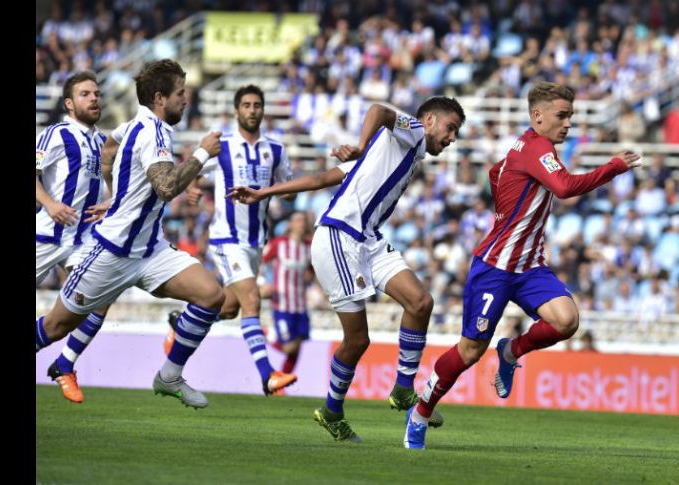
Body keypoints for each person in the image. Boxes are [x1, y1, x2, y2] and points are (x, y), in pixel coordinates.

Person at [403, 82, 642, 449]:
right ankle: (420, 413)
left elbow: (497, 172)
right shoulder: (537, 147)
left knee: (567, 321)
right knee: (469, 350)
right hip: (495, 267)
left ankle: (511, 351)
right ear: (538, 116)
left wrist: (507, 209)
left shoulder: (525, 147)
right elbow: (563, 188)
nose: (567, 124)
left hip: (529, 265)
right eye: (562, 116)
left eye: (570, 117)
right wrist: (613, 167)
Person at [230, 96, 465, 442]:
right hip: (340, 237)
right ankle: (332, 411)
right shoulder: (413, 131)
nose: (452, 138)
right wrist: (360, 144)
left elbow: (321, 178)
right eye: (450, 128)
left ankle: (403, 390)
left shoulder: (395, 149)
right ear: (429, 119)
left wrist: (264, 192)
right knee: (357, 339)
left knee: (420, 302)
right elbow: (379, 111)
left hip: (368, 239)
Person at [35, 59, 225, 409]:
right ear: (159, 98)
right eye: (180, 93)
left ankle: (169, 375)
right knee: (56, 327)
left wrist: (116, 194)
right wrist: (202, 153)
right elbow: (167, 187)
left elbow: (109, 145)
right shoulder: (151, 132)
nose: (186, 99)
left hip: (149, 250)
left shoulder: (140, 125)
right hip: (111, 251)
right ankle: (64, 363)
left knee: (212, 296)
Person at [163, 85, 298, 396]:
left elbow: (289, 187)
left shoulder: (275, 150)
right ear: (236, 111)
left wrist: (282, 190)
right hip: (226, 238)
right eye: (246, 105)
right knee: (252, 300)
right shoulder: (222, 146)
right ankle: (267, 376)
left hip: (255, 242)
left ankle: (180, 323)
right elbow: (194, 167)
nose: (252, 110)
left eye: (257, 105)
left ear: (263, 110)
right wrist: (193, 186)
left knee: (227, 309)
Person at [36, 71, 118, 403]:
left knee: (101, 296)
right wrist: (50, 203)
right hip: (46, 233)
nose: (94, 98)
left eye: (97, 93)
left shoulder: (104, 143)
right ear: (70, 103)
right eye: (86, 94)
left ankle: (65, 363)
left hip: (83, 241)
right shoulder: (55, 134)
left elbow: (112, 187)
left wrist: (111, 201)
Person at [262, 211, 313, 382]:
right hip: (282, 305)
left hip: (300, 305)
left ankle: (280, 383)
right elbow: (260, 262)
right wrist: (262, 284)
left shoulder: (308, 247)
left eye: (303, 220)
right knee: (288, 348)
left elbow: (312, 270)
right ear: (290, 225)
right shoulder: (279, 244)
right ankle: (265, 333)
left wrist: (310, 277)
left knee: (297, 348)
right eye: (298, 220)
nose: (301, 223)